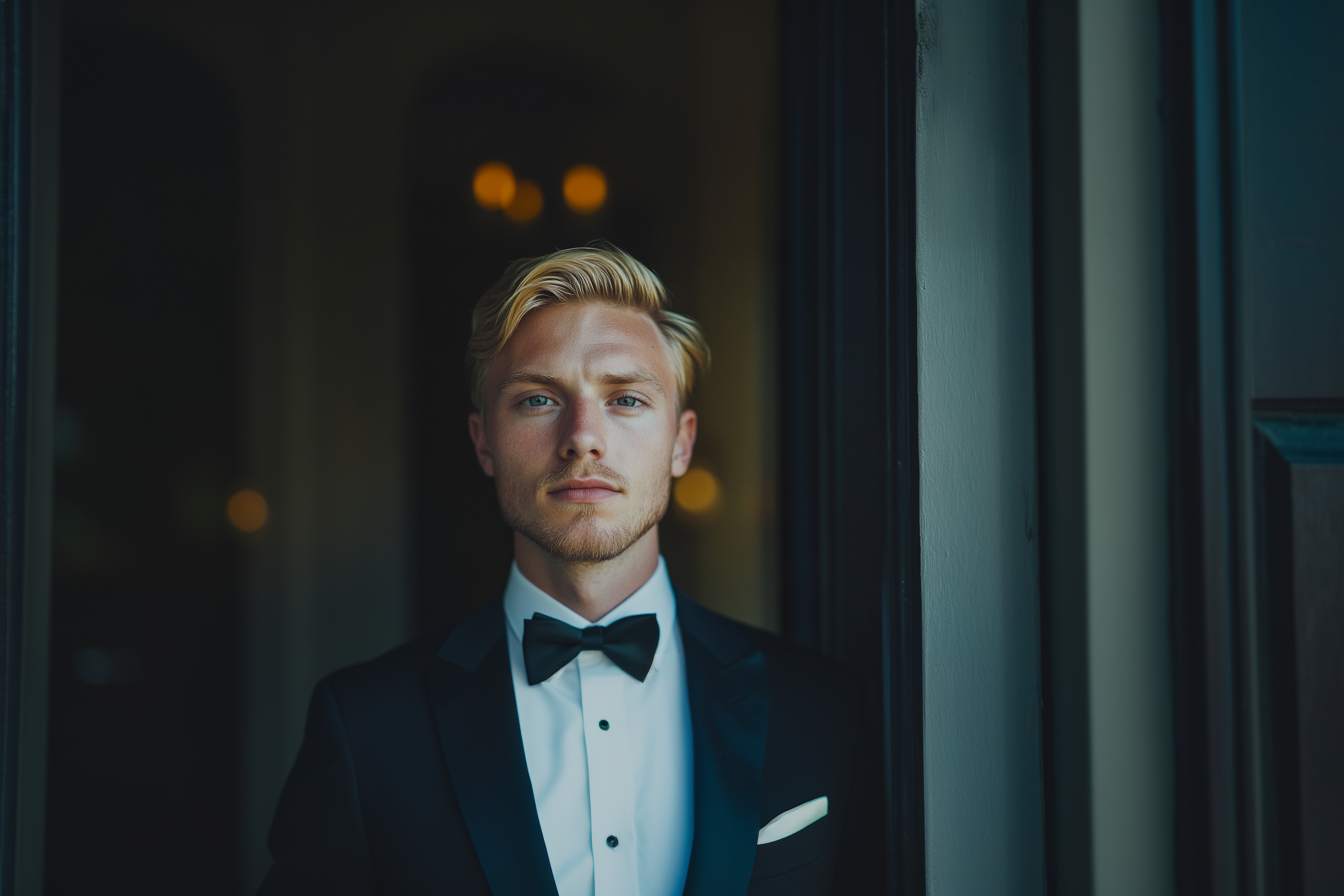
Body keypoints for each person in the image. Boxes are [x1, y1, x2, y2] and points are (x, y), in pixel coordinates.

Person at [257, 245, 886, 895]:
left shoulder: (826, 711)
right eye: (537, 399)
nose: (584, 436)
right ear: (483, 442)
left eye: (627, 400)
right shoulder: (365, 728)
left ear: (682, 443)